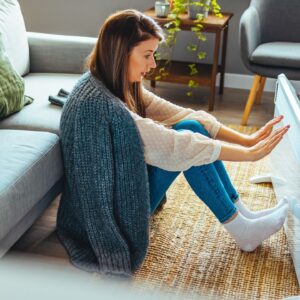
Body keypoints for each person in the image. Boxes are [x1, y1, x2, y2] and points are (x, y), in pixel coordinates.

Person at [67, 9, 290, 254]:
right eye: (147, 55)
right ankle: (242, 230)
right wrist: (249, 155)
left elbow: (182, 115)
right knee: (188, 147)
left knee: (191, 127)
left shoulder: (114, 82)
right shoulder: (105, 106)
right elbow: (177, 146)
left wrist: (246, 140)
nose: (152, 64)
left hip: (125, 190)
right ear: (121, 53)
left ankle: (243, 216)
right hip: (118, 213)